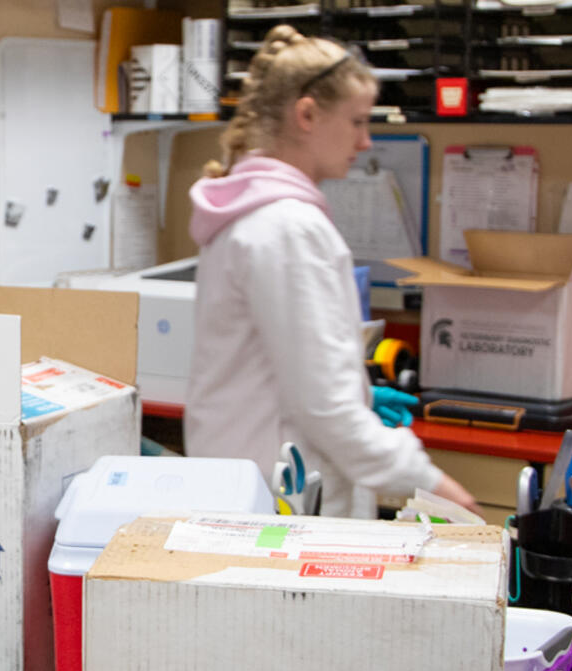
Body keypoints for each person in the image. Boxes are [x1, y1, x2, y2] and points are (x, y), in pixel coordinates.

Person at [184, 26, 478, 518]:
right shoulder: (289, 228)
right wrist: (434, 484)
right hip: (283, 508)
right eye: (357, 121)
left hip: (244, 490)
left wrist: (358, 393)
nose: (365, 141)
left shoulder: (249, 212)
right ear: (307, 115)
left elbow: (291, 374)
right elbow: (326, 411)